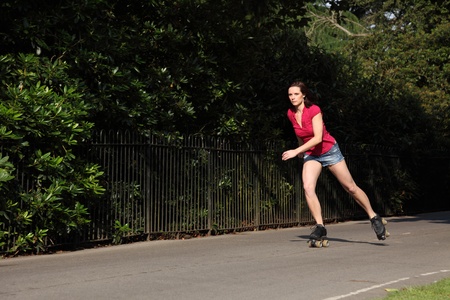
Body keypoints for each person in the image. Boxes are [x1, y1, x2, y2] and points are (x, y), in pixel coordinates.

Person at [281, 81, 388, 242]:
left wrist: (296, 151)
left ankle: (373, 217)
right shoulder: (291, 113)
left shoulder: (314, 110)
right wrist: (301, 149)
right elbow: (299, 134)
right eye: (290, 94)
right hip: (311, 154)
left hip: (329, 151)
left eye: (296, 94)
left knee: (350, 187)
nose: (293, 97)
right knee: (308, 187)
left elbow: (318, 137)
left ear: (304, 95)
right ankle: (320, 226)